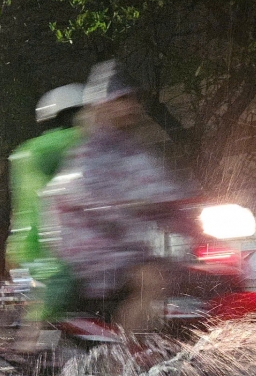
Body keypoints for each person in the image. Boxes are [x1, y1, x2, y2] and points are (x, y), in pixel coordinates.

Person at [40, 60, 195, 335]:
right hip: (92, 248)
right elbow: (79, 191)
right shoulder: (89, 150)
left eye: (133, 99)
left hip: (128, 247)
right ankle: (125, 360)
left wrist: (189, 213)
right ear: (103, 104)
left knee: (200, 277)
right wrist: (119, 208)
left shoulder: (135, 152)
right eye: (122, 99)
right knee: (151, 280)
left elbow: (164, 190)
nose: (131, 106)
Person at [6, 83, 84, 347]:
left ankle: (37, 352)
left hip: (22, 250)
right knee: (47, 308)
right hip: (50, 246)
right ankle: (29, 354)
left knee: (42, 310)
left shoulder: (24, 150)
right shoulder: (62, 142)